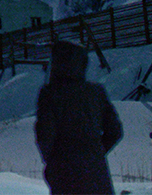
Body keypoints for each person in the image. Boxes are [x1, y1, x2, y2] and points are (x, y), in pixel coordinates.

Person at [35, 40, 124, 195]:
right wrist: (94, 153)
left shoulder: (50, 94)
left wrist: (55, 161)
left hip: (64, 174)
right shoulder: (96, 92)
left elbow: (45, 135)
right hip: (96, 174)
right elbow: (115, 131)